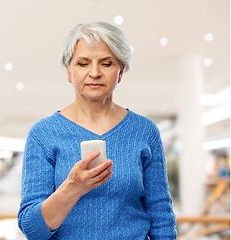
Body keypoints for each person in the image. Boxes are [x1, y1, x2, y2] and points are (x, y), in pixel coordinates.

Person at [17, 22, 177, 239]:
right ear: (69, 71)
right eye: (83, 63)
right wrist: (73, 187)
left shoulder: (144, 131)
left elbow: (161, 216)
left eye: (106, 63)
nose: (94, 73)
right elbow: (32, 229)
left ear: (120, 71)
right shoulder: (43, 134)